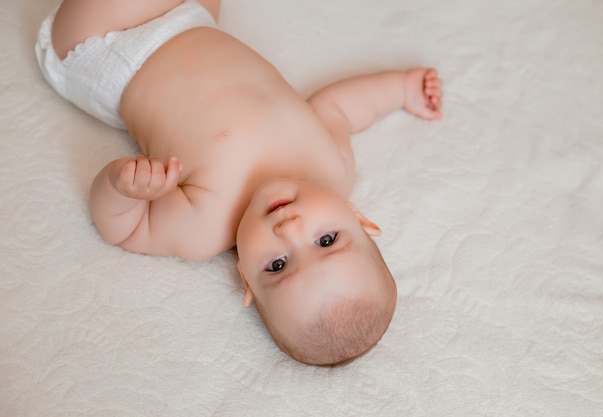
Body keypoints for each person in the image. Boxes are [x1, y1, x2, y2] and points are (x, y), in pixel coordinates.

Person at [36, 0, 443, 366]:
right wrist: (400, 89)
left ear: (246, 279)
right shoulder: (332, 167)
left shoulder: (206, 226)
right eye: (326, 241)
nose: (291, 231)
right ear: (359, 218)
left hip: (111, 48)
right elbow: (338, 108)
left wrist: (122, 187)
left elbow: (122, 228)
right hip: (194, 20)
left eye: (278, 265)